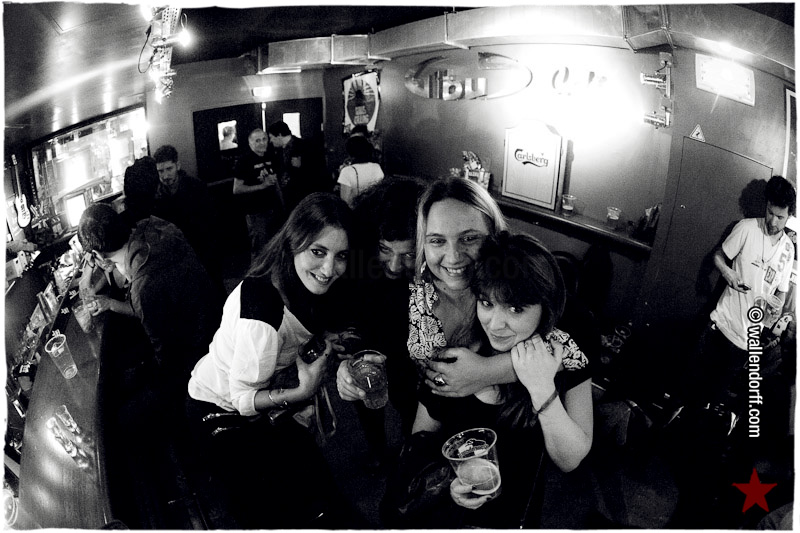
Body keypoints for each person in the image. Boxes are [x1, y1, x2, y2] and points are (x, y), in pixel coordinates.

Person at [384, 231, 593, 528]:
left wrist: (541, 387)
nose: (495, 324)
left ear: (544, 308)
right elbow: (420, 442)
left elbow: (570, 459)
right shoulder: (455, 357)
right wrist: (448, 481)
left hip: (516, 517)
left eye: (515, 309)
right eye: (486, 303)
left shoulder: (562, 359)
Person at [185, 192, 356, 529]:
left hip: (260, 405)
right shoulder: (263, 312)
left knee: (318, 492)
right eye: (318, 252)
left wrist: (324, 341)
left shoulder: (299, 282)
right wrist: (303, 391)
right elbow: (243, 400)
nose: (329, 269)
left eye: (340, 256)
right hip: (218, 410)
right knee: (276, 512)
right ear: (293, 243)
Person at [77, 203, 220, 407]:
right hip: (214, 322)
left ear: (97, 255)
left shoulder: (143, 286)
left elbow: (167, 359)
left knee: (124, 402)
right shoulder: (153, 225)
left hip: (198, 357)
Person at [333, 177, 426, 464]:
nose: (395, 266)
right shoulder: (357, 260)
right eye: (385, 249)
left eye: (408, 254)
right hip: (369, 342)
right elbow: (346, 313)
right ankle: (377, 451)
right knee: (367, 399)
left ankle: (412, 451)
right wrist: (347, 351)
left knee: (411, 406)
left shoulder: (434, 274)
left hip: (411, 353)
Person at [695, 175, 796, 408]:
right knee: (690, 390)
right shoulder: (747, 227)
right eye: (770, 212)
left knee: (711, 403)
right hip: (720, 327)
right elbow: (718, 256)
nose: (773, 221)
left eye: (780, 217)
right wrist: (728, 273)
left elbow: (781, 292)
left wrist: (777, 308)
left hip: (746, 341)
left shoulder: (788, 249)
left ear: (789, 216)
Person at [153, 145, 222, 291]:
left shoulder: (196, 187)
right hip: (176, 256)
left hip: (202, 249)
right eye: (161, 171)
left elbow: (211, 221)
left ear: (178, 165)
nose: (165, 176)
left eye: (169, 169)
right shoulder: (157, 197)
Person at [232, 128, 283, 261]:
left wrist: (282, 204)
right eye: (257, 140)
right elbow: (237, 189)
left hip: (273, 208)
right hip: (256, 212)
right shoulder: (244, 161)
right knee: (260, 248)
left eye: (264, 139)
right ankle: (257, 273)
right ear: (250, 143)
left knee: (276, 245)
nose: (262, 143)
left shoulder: (271, 156)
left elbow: (275, 182)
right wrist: (262, 186)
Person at [267, 120, 321, 212]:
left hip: (303, 193)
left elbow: (317, 170)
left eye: (271, 137)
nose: (270, 141)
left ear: (279, 135)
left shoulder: (306, 146)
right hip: (286, 195)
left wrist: (302, 165)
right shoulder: (276, 151)